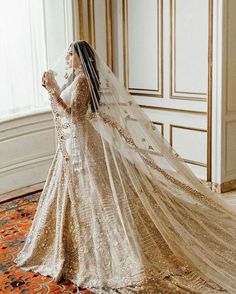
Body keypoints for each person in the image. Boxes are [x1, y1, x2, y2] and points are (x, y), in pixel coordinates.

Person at [14, 40, 236, 294]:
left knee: (102, 192)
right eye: (66, 55)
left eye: (70, 55)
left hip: (84, 142)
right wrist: (53, 89)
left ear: (81, 57)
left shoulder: (83, 81)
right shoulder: (76, 79)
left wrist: (53, 92)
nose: (66, 59)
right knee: (77, 190)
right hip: (76, 144)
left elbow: (75, 115)